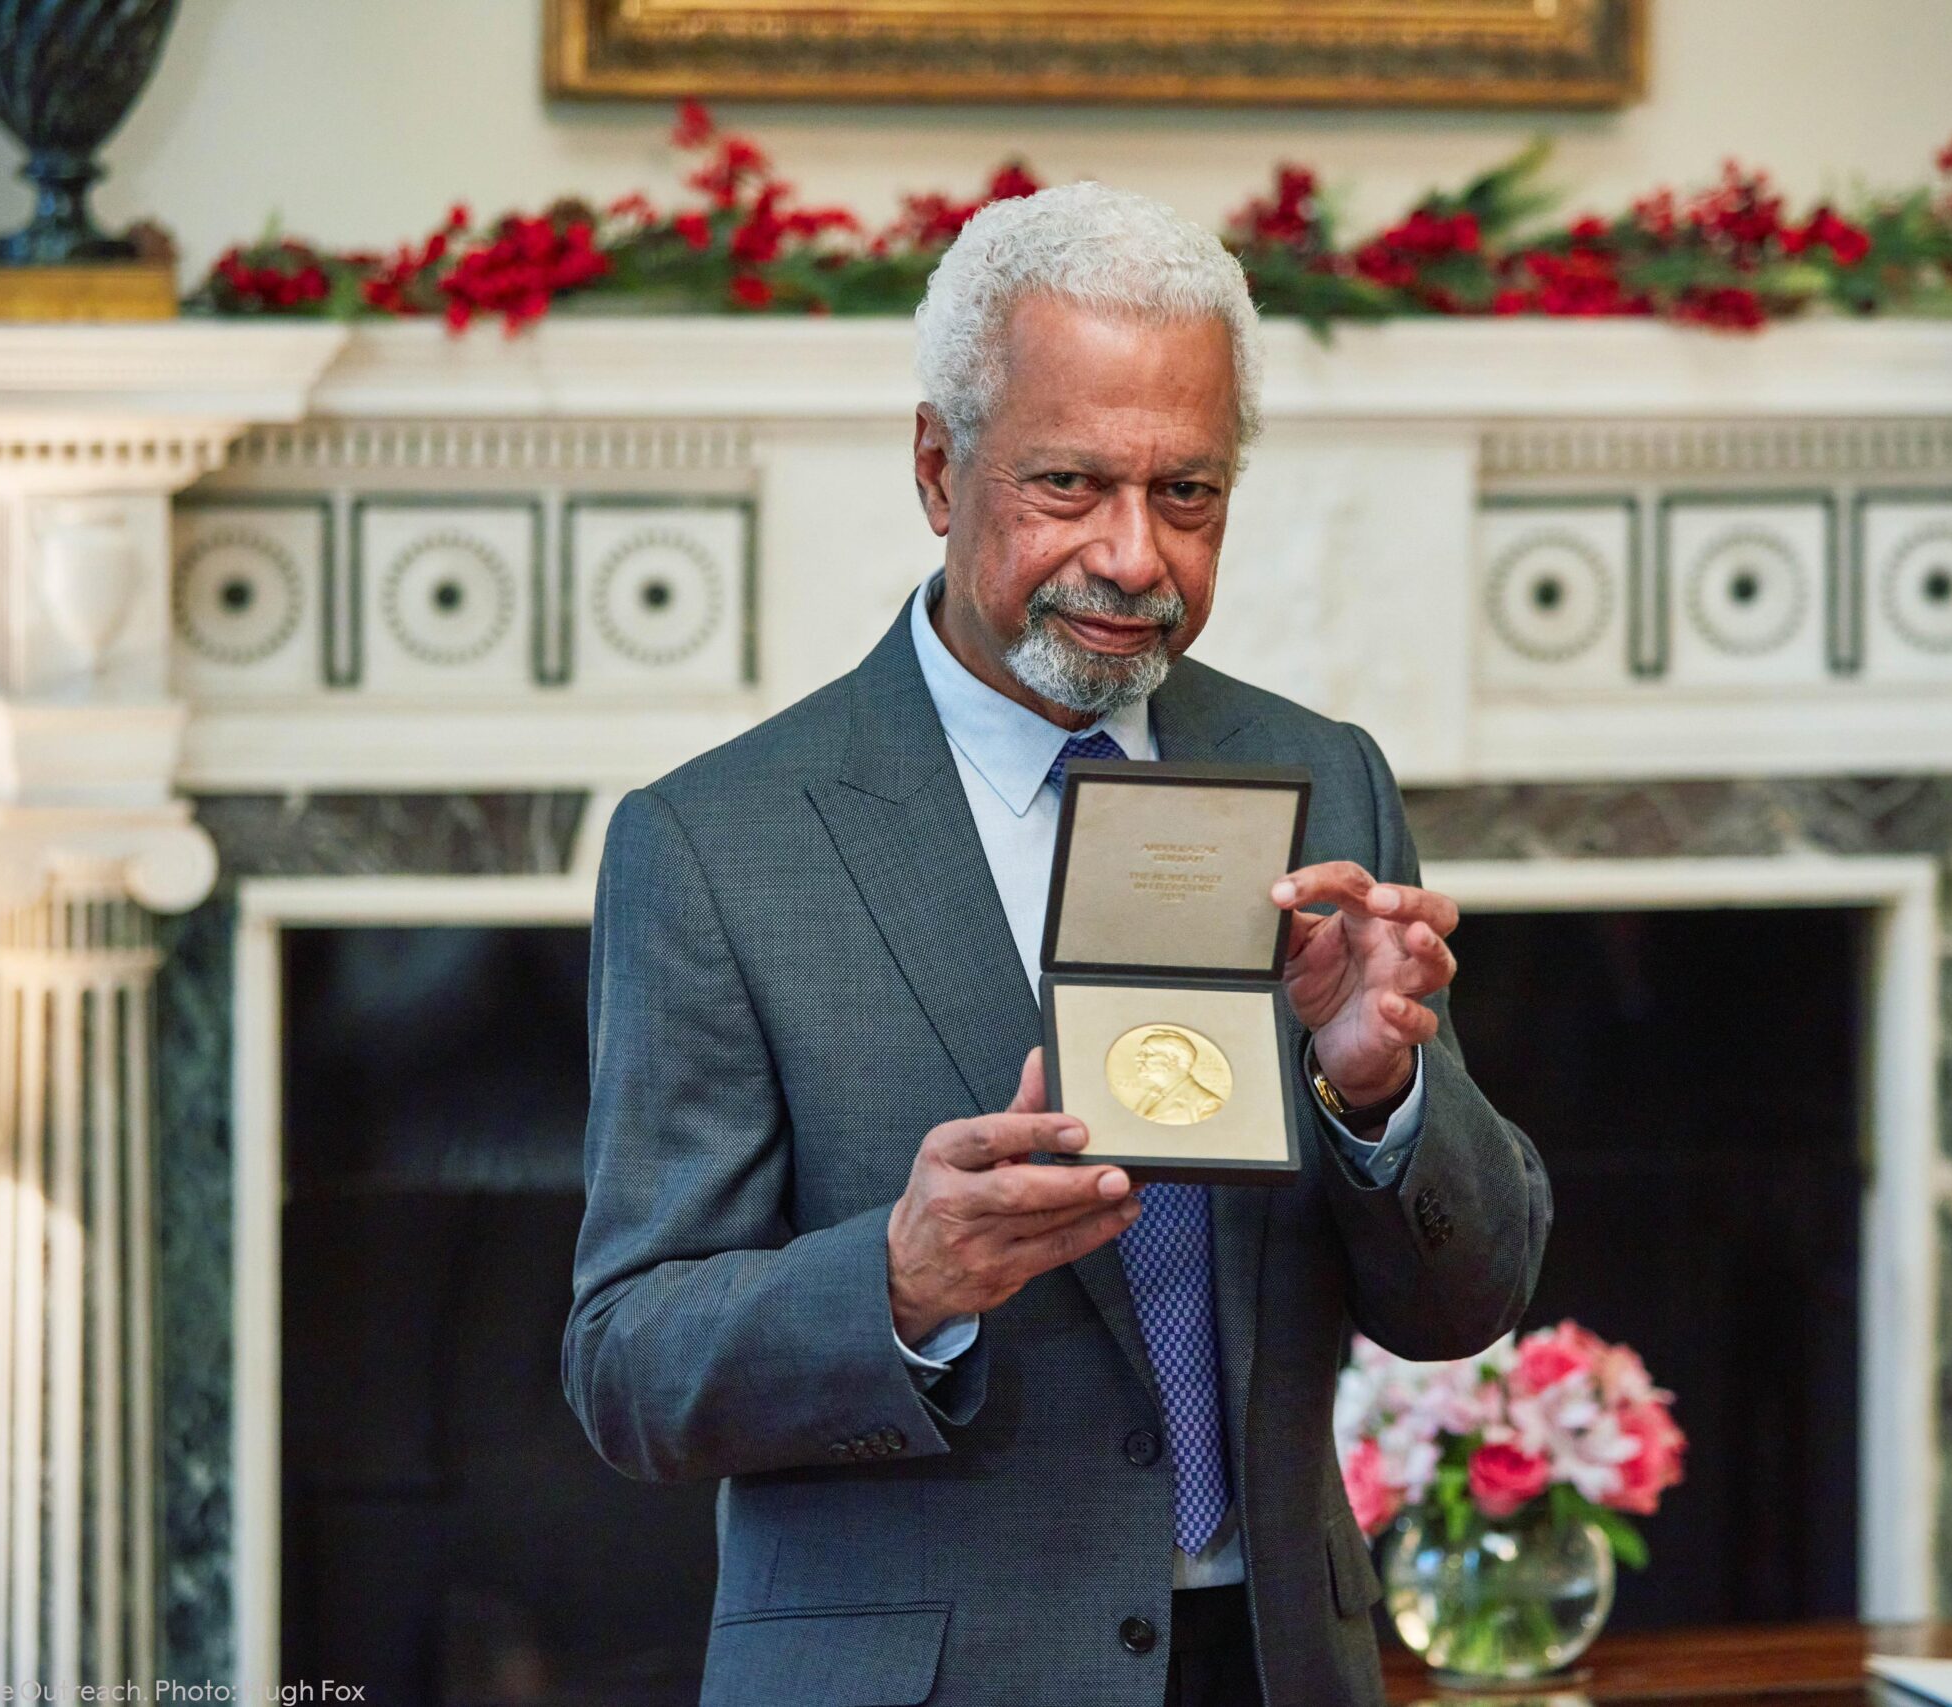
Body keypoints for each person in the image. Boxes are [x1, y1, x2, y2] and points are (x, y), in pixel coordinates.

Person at [564, 181, 1551, 1707]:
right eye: (1071, 484)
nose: (1135, 557)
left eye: (1188, 495)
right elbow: (627, 1368)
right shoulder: (714, 843)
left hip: (1276, 1666)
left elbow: (1464, 1301)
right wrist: (896, 1281)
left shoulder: (1325, 780)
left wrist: (1378, 1100)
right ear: (936, 468)